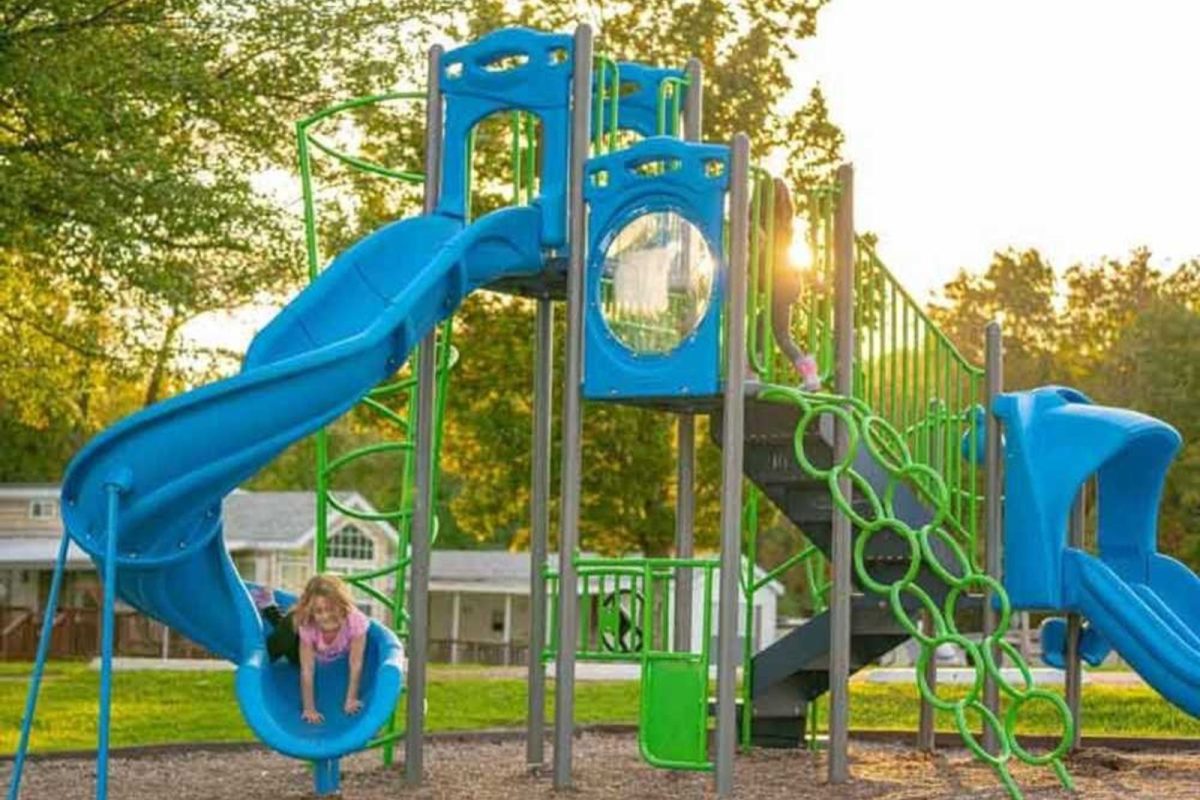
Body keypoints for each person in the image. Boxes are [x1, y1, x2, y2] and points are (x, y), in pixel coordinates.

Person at [251, 574, 369, 725]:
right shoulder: (308, 623)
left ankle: (271, 608)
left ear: (342, 605)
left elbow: (356, 664)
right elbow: (307, 670)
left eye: (331, 609)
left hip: (325, 656)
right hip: (298, 646)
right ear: (312, 611)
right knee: (283, 636)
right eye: (319, 611)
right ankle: (269, 607)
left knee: (293, 625)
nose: (326, 616)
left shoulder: (355, 622)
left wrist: (351, 699)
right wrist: (309, 709)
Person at [768, 177, 823, 392]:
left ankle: (811, 378)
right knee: (768, 327)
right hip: (790, 283)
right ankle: (810, 376)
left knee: (781, 335)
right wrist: (812, 278)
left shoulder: (766, 229)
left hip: (782, 284)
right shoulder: (786, 226)